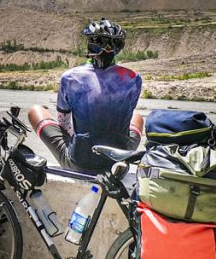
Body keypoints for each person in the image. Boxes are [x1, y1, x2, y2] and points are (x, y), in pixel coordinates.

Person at [28, 19, 144, 173]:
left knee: (35, 111)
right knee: (137, 116)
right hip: (118, 159)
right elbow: (125, 118)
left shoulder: (70, 78)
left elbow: (64, 124)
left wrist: (76, 141)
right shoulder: (133, 78)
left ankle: (73, 156)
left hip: (81, 160)